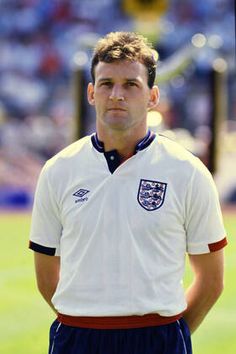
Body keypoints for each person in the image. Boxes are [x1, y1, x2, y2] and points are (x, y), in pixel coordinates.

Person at [29, 31, 227, 354]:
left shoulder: (187, 172)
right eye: (106, 84)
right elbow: (46, 277)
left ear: (152, 97)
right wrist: (86, 323)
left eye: (131, 85)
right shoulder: (58, 171)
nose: (117, 95)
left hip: (158, 338)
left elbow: (211, 281)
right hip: (78, 338)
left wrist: (169, 333)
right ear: (91, 93)